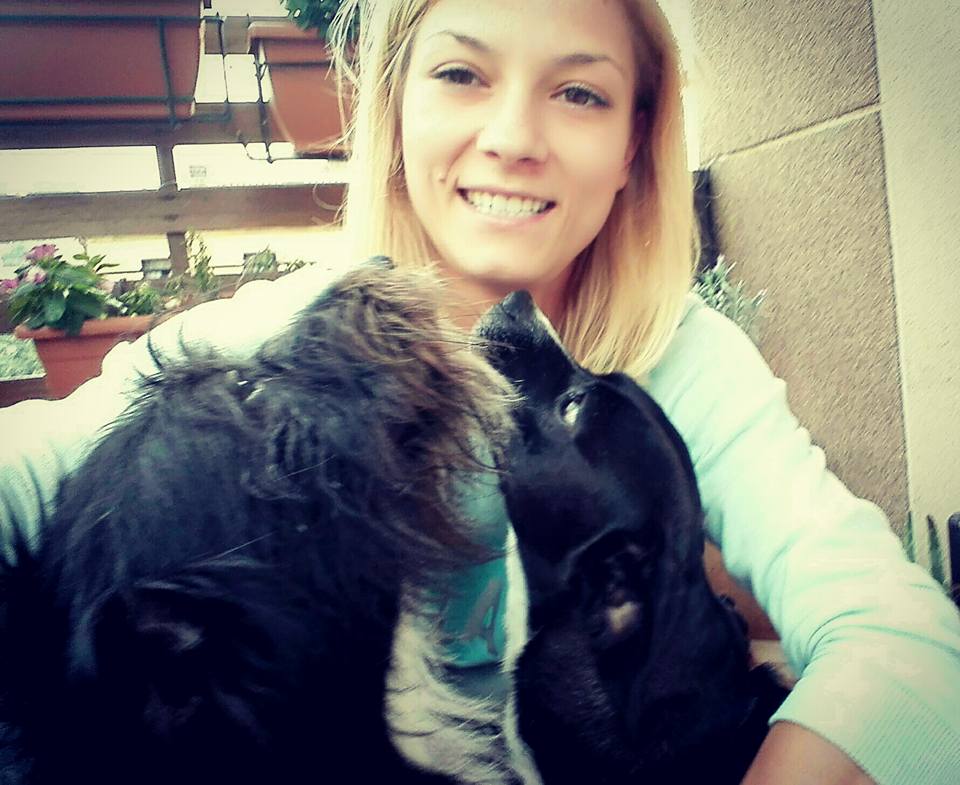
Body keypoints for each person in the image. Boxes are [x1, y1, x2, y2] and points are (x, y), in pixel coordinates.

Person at [1, 1, 958, 783]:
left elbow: (907, 646)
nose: (513, 139)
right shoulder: (277, 355)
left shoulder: (685, 360)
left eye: (578, 92)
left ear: (633, 142)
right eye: (462, 74)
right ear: (395, 108)